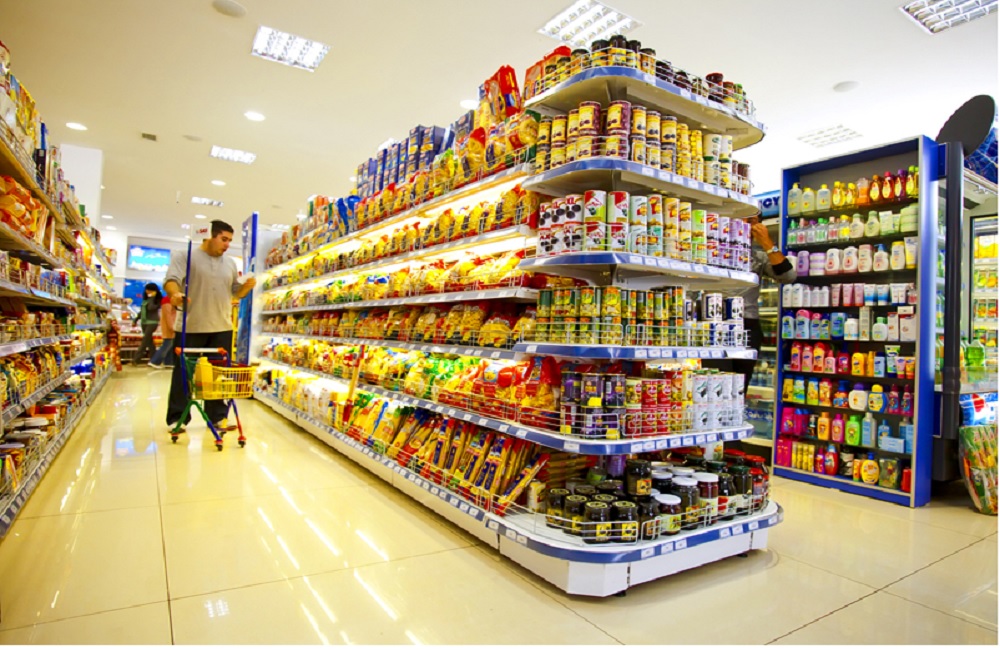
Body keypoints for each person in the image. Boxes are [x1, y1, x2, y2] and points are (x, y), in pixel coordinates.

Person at [163, 220, 256, 432]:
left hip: (222, 326)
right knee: (183, 374)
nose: (227, 245)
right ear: (209, 237)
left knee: (218, 375)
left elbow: (236, 292)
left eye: (229, 241)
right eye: (223, 239)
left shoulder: (230, 263)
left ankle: (217, 417)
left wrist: (247, 287)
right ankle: (177, 418)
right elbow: (171, 280)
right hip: (190, 326)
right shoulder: (185, 256)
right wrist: (175, 294)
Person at [727, 215, 797, 392]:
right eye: (743, 219)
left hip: (746, 324)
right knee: (712, 380)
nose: (746, 225)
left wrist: (767, 242)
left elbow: (788, 276)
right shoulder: (712, 250)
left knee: (739, 387)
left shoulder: (758, 258)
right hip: (710, 323)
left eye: (752, 221)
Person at [132, 283, 162, 365]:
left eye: (149, 290)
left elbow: (150, 308)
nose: (147, 291)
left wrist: (153, 297)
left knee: (145, 341)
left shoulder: (157, 300)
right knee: (149, 342)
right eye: (146, 290)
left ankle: (136, 360)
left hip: (152, 322)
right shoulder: (146, 300)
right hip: (144, 322)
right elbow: (141, 311)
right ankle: (154, 359)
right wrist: (135, 320)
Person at [148, 292, 176, 368]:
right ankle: (155, 361)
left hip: (171, 325)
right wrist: (171, 327)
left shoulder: (170, 300)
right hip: (169, 326)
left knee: (170, 344)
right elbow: (168, 315)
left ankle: (169, 362)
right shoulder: (167, 301)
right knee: (167, 344)